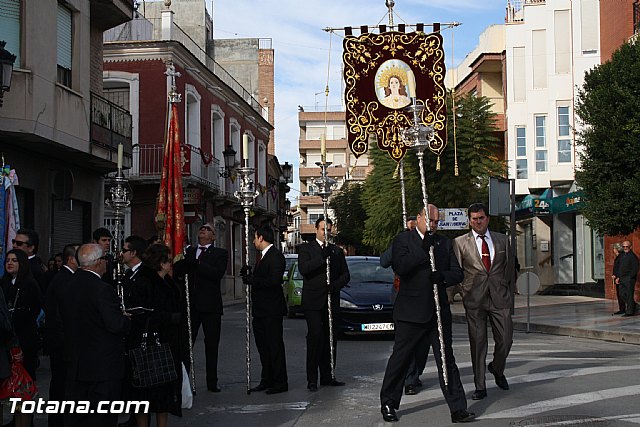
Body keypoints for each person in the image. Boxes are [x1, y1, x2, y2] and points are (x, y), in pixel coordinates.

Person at [379, 205, 474, 423]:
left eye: (436, 222)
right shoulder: (404, 240)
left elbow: (457, 273)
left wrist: (441, 277)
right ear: (419, 218)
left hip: (438, 312)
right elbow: (401, 267)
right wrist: (423, 249)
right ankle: (388, 403)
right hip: (410, 312)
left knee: (446, 361)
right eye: (430, 220)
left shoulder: (444, 243)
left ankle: (457, 408)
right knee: (401, 360)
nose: (433, 225)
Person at [60, 243, 131, 427]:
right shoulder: (102, 289)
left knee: (79, 416)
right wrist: (126, 319)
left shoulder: (69, 284)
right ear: (98, 262)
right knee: (102, 417)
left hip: (76, 362)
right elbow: (115, 325)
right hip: (102, 366)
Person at [453, 202, 516, 401]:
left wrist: (508, 289)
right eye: (474, 219)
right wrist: (460, 293)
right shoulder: (460, 242)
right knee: (478, 344)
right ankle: (480, 385)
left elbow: (511, 267)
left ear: (487, 218)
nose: (478, 222)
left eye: (481, 218)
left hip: (500, 297)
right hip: (474, 299)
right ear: (469, 221)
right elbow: (456, 272)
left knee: (506, 340)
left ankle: (497, 369)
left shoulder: (503, 240)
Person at [127, 243, 183, 427]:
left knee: (164, 393)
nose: (171, 264)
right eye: (168, 260)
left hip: (167, 344)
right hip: (148, 345)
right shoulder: (143, 282)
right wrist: (168, 317)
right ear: (160, 263)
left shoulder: (168, 282)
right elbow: (140, 313)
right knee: (144, 394)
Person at [297, 216, 350, 392]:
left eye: (328, 230)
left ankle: (328, 375)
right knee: (315, 337)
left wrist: (334, 286)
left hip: (330, 300)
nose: (325, 233)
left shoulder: (336, 251)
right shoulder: (306, 248)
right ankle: (312, 379)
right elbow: (304, 269)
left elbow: (345, 274)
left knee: (330, 339)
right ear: (316, 229)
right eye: (322, 230)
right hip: (313, 301)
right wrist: (321, 257)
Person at [380, 215, 430, 396]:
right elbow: (384, 261)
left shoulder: (428, 243)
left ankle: (415, 374)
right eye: (409, 228)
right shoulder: (400, 243)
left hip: (423, 297)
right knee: (405, 343)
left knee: (423, 345)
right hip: (402, 295)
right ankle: (409, 379)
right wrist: (398, 246)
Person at [179, 223, 228, 392]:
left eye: (208, 229)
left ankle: (212, 381)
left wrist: (197, 264)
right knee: (186, 345)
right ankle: (185, 381)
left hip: (211, 306)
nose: (203, 230)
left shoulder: (220, 253)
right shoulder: (189, 251)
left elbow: (217, 273)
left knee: (211, 344)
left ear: (213, 237)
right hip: (191, 305)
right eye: (201, 228)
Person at [242, 225, 288, 394]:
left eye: (254, 237)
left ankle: (280, 382)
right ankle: (266, 379)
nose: (253, 241)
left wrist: (253, 280)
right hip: (260, 310)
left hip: (272, 310)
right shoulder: (261, 257)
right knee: (263, 347)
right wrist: (249, 276)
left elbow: (274, 281)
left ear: (261, 238)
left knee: (274, 346)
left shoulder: (275, 256)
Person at [1, 249, 42, 427]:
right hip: (6, 344)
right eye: (7, 260)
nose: (9, 263)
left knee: (23, 389)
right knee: (8, 388)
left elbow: (30, 314)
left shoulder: (29, 285)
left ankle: (24, 421)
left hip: (24, 342)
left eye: (14, 260)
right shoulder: (4, 283)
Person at [44, 243, 79, 427]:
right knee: (62, 385)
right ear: (71, 259)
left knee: (60, 384)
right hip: (62, 343)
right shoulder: (65, 280)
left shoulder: (64, 278)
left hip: (60, 341)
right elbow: (62, 315)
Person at [12, 228, 48, 294]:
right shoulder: (11, 264)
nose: (14, 245)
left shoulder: (36, 270)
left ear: (31, 248)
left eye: (19, 243)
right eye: (13, 241)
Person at [617, 240, 639, 317]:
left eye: (627, 246)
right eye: (624, 247)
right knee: (622, 294)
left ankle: (630, 312)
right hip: (622, 278)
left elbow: (635, 268)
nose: (625, 248)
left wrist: (630, 277)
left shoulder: (632, 256)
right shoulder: (622, 255)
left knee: (629, 295)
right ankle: (635, 306)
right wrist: (618, 277)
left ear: (630, 247)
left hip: (629, 279)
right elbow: (620, 267)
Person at [611, 243, 625, 315]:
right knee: (619, 294)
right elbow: (616, 268)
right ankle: (622, 308)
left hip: (620, 279)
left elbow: (621, 268)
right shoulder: (618, 256)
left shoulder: (621, 257)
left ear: (616, 249)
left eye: (614, 248)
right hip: (617, 278)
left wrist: (618, 277)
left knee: (622, 294)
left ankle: (624, 308)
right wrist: (614, 274)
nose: (613, 250)